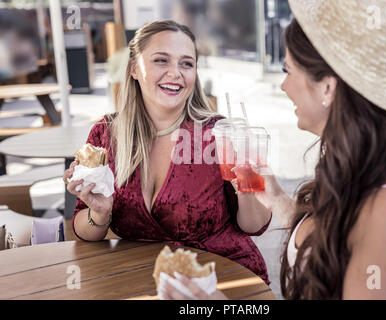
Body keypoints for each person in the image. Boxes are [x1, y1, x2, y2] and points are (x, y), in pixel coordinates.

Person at [162, 0, 386, 300]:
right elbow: (333, 244)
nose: (284, 86)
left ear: (327, 87)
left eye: (288, 71)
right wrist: (277, 200)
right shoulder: (367, 166)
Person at [62, 20, 272, 285]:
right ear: (134, 69)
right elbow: (85, 232)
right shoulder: (106, 134)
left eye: (186, 63)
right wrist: (100, 213)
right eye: (161, 60)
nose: (175, 73)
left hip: (223, 279)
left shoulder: (218, 133)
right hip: (142, 281)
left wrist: (247, 187)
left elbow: (255, 226)